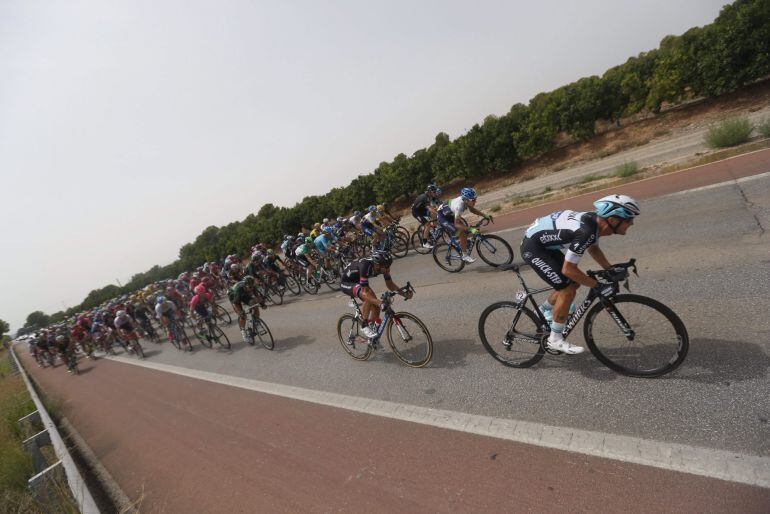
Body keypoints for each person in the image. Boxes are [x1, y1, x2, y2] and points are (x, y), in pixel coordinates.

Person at [520, 194, 640, 355]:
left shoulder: (595, 224)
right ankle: (554, 339)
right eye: (628, 220)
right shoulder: (587, 231)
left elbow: (593, 248)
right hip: (533, 247)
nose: (631, 223)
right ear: (613, 220)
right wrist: (598, 285)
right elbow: (568, 269)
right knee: (567, 289)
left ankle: (543, 311)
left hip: (545, 246)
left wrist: (609, 268)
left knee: (573, 283)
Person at [340, 250, 413, 340]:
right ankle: (364, 325)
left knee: (376, 306)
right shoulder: (365, 266)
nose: (388, 269)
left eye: (389, 266)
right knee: (369, 296)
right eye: (386, 267)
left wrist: (404, 294)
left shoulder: (383, 266)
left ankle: (372, 334)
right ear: (377, 265)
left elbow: (390, 284)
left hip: (358, 280)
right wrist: (380, 302)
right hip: (347, 283)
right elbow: (365, 292)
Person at [436, 187, 492, 263]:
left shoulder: (466, 201)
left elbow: (472, 209)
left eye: (475, 199)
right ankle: (464, 256)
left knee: (465, 229)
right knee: (462, 231)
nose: (475, 201)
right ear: (466, 200)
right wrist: (471, 229)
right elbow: (456, 224)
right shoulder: (459, 206)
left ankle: (461, 242)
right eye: (473, 200)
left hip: (450, 213)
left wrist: (484, 215)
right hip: (442, 217)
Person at [228, 276, 264, 344]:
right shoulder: (239, 290)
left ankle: (256, 322)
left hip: (244, 294)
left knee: (254, 305)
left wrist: (262, 303)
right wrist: (240, 312)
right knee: (242, 316)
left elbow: (257, 296)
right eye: (249, 287)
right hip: (233, 296)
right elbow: (236, 303)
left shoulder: (252, 286)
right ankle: (243, 331)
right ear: (245, 286)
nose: (251, 288)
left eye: (252, 287)